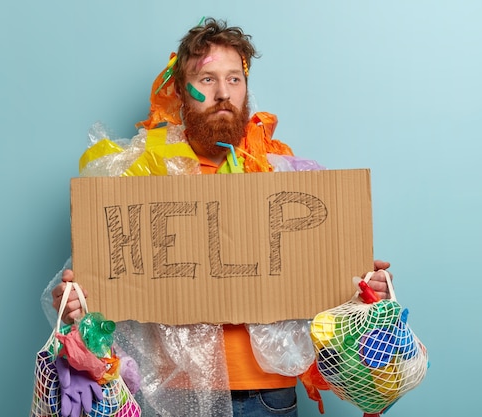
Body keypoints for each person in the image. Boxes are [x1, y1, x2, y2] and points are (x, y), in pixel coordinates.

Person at [42, 17, 394, 417]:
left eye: (234, 79)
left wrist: (365, 289)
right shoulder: (142, 176)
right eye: (207, 79)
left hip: (269, 396)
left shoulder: (284, 177)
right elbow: (108, 283)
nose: (223, 93)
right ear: (180, 91)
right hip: (179, 397)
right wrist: (78, 302)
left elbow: (322, 282)